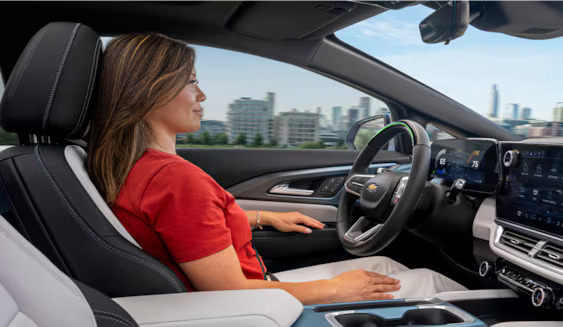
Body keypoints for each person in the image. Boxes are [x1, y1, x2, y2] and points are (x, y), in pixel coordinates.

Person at [87, 33, 466, 305]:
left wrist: (263, 216)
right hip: (254, 308)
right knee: (433, 281)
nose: (201, 95)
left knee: (385, 263)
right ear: (150, 91)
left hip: (253, 293)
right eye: (191, 82)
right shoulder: (175, 178)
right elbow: (225, 293)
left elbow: (184, 226)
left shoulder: (130, 166)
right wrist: (337, 290)